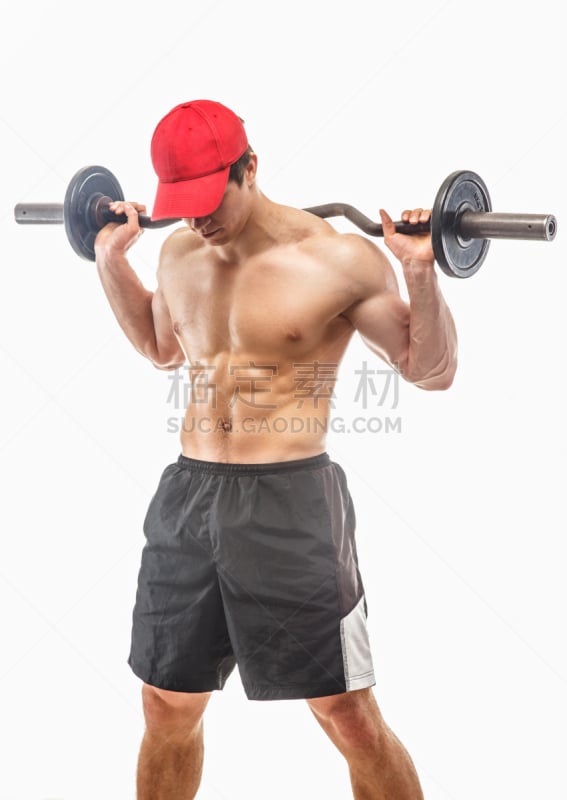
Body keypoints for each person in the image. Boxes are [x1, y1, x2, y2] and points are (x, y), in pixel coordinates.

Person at [94, 99, 457, 800]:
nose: (196, 218)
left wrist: (417, 272)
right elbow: (161, 349)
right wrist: (111, 262)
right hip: (189, 496)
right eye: (183, 203)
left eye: (208, 198)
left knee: (346, 715)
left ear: (250, 168)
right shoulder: (177, 252)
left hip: (290, 501)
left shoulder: (338, 259)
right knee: (165, 702)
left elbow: (430, 371)